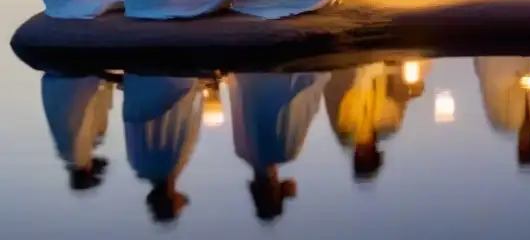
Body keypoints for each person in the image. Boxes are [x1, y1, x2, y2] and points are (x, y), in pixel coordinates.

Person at [226, 72, 328, 221]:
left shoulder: (286, 152)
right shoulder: (241, 151)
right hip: (248, 72)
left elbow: (305, 98)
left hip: (280, 72)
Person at [122, 75, 205, 223]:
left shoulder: (170, 164)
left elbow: (184, 122)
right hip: (138, 85)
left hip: (168, 84)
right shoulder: (137, 165)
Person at [323, 62, 414, 181]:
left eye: (363, 158)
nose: (364, 154)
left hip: (349, 61)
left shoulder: (344, 131)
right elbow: (400, 91)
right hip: (383, 58)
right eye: (368, 158)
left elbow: (332, 90)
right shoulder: (390, 124)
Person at [40, 73, 114, 191]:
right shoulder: (64, 152)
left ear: (89, 172)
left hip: (81, 78)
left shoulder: (81, 154)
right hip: (53, 78)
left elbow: (99, 99)